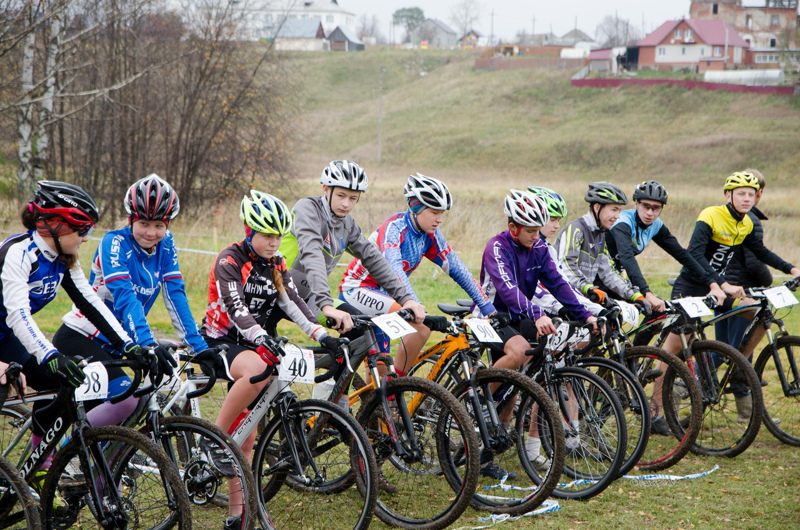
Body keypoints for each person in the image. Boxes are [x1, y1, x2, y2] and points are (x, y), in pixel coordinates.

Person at [201, 191, 346, 518]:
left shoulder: (277, 263)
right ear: (248, 230)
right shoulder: (229, 260)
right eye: (267, 235)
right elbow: (236, 309)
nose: (274, 242)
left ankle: (237, 517)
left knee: (248, 439)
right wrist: (264, 339)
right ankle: (214, 439)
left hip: (255, 344)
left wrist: (324, 336)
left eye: (279, 235)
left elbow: (294, 305)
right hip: (220, 339)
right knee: (259, 370)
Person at [0, 181, 150, 492]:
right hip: (8, 331)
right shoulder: (19, 253)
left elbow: (92, 304)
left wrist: (130, 344)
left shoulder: (62, 259)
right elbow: (18, 314)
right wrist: (50, 355)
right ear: (54, 226)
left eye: (88, 230)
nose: (85, 238)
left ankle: (41, 468)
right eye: (81, 230)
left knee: (69, 385)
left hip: (6, 337)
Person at [56, 175, 213, 427]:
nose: (151, 233)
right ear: (131, 219)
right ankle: (71, 453)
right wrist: (147, 343)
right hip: (83, 336)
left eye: (159, 225)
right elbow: (125, 297)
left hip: (121, 339)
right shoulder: (114, 243)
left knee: (150, 393)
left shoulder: (166, 243)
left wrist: (199, 346)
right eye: (144, 223)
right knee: (127, 400)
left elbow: (175, 293)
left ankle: (111, 460)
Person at [665, 171, 800, 423]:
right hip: (693, 285)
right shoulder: (711, 215)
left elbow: (760, 251)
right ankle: (659, 408)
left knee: (759, 312)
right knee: (673, 349)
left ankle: (739, 369)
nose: (747, 199)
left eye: (751, 194)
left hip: (718, 287)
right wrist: (720, 283)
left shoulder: (747, 222)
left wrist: (791, 268)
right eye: (741, 194)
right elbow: (694, 254)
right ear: (728, 195)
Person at [479, 189, 597, 477]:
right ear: (513, 228)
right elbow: (507, 291)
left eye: (537, 230)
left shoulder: (540, 249)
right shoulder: (497, 247)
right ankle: (479, 400)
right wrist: (537, 314)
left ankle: (489, 451)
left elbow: (558, 284)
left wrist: (586, 315)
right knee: (518, 354)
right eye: (530, 230)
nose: (536, 235)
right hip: (491, 315)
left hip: (519, 317)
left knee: (521, 379)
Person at [339, 173, 494, 374]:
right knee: (420, 326)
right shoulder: (394, 229)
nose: (439, 219)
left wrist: (487, 307)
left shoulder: (429, 235)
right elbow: (394, 270)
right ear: (415, 207)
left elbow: (458, 269)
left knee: (384, 355)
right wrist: (412, 302)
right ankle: (390, 392)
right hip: (359, 288)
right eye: (434, 212)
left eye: (442, 213)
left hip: (387, 293)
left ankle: (392, 390)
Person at [280, 160, 426, 333]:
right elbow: (312, 254)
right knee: (268, 356)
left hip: (306, 298)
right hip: (277, 293)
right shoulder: (308, 209)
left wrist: (406, 299)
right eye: (341, 196)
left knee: (359, 330)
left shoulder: (347, 224)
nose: (346, 204)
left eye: (353, 198)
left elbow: (373, 258)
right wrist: (326, 304)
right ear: (326, 189)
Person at [606, 180, 726, 314]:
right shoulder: (623, 222)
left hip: (614, 276)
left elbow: (681, 254)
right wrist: (646, 292)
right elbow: (627, 257)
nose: (650, 213)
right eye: (646, 206)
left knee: (658, 311)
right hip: (598, 274)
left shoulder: (655, 225)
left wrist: (712, 283)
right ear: (636, 203)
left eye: (655, 208)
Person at [554, 182, 650, 313]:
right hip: (562, 303)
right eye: (614, 209)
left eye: (619, 210)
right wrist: (587, 287)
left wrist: (634, 294)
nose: (617, 216)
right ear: (597, 207)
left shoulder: (600, 234)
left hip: (584, 302)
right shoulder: (576, 229)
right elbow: (565, 266)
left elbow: (608, 272)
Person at [713, 170, 772, 351]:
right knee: (741, 349)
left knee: (721, 349)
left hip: (723, 285)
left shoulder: (730, 216)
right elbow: (754, 261)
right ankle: (741, 380)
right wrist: (768, 281)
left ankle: (699, 378)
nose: (748, 197)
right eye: (743, 193)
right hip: (742, 290)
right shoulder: (750, 221)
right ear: (760, 192)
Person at [525, 186, 603, 318]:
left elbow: (564, 285)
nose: (557, 226)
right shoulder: (516, 248)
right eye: (552, 220)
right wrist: (561, 308)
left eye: (558, 220)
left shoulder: (548, 249)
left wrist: (596, 309)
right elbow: (534, 291)